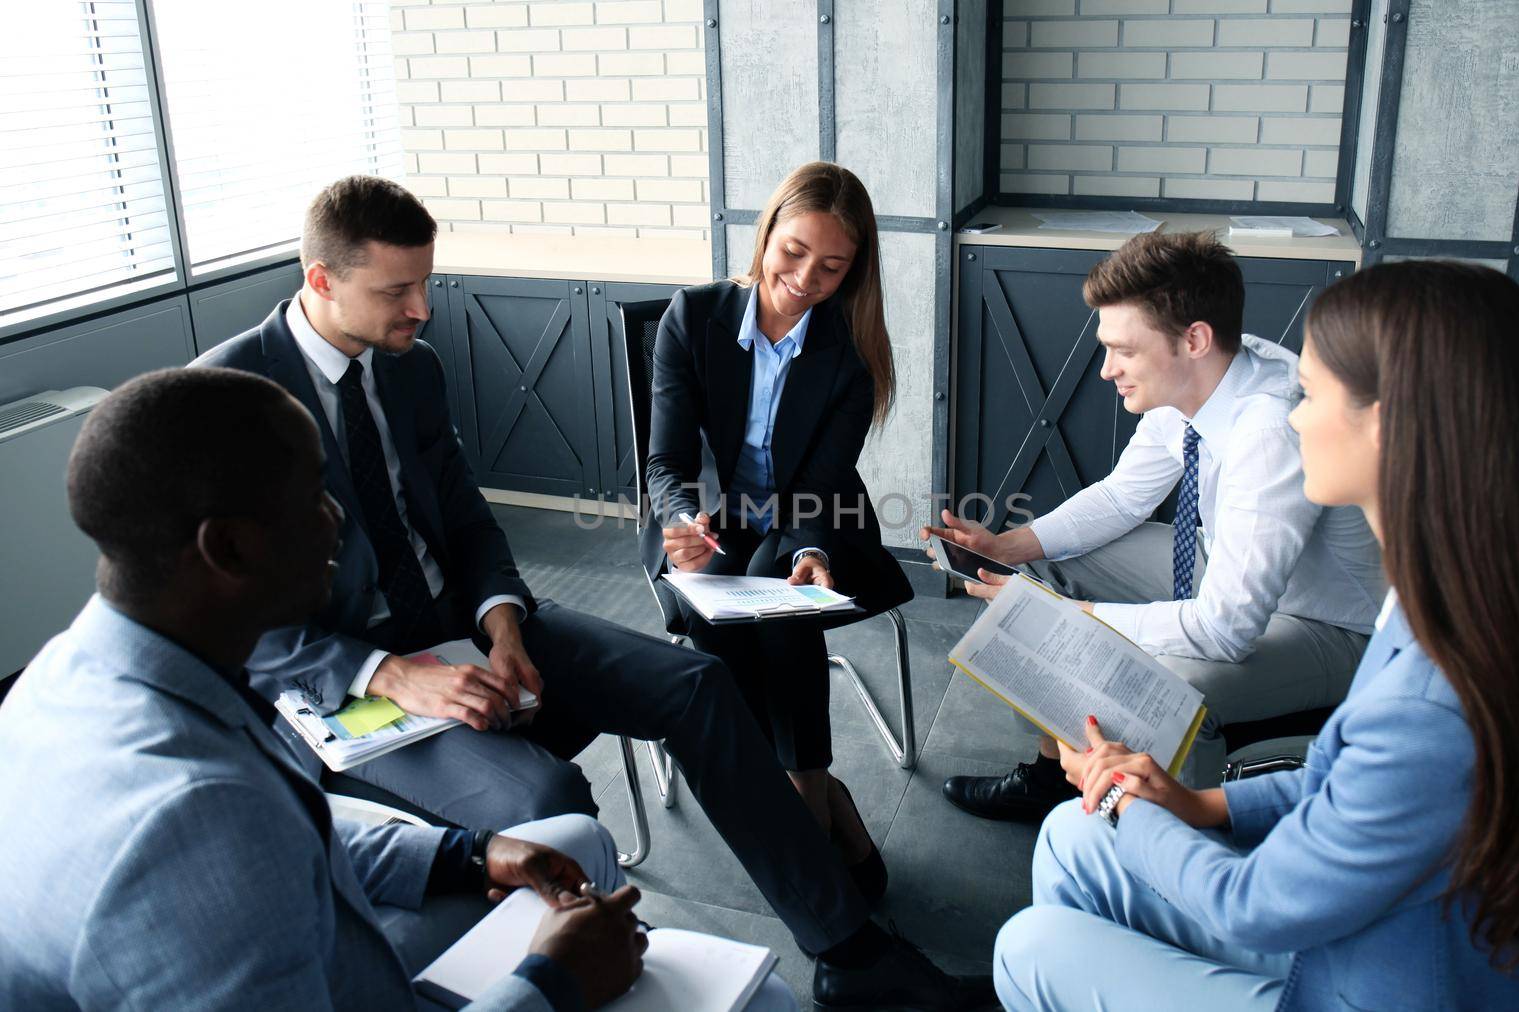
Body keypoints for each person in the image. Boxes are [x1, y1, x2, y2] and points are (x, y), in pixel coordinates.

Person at [194, 176, 991, 1010]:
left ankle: (850, 956)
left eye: (426, 283)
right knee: (550, 800)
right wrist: (390, 673)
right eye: (398, 290)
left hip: (475, 626)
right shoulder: (225, 396)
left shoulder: (411, 367)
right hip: (360, 682)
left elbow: (467, 523)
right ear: (319, 279)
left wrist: (503, 622)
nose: (424, 309)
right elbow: (227, 623)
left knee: (698, 684)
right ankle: (582, 973)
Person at [0, 367, 801, 1010]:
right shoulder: (192, 828)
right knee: (764, 999)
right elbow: (240, 840)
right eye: (314, 496)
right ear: (231, 549)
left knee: (573, 842)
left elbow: (302, 821)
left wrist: (469, 853)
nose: (337, 521)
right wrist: (555, 983)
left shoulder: (72, 672)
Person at [991, 261, 1519, 1010]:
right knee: (1067, 837)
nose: (1296, 413)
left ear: (1391, 422)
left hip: (1367, 983)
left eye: (1312, 396)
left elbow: (1256, 904)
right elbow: (1344, 781)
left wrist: (1126, 801)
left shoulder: (1431, 700)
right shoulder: (1467, 592)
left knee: (1028, 945)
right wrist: (1202, 806)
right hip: (1373, 934)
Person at [924, 231, 1386, 818]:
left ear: (1193, 339)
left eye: (1124, 351)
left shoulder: (1267, 431)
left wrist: (1079, 618)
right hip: (1225, 566)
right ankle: (1054, 775)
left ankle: (1183, 837)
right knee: (1038, 562)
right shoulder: (1203, 375)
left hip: (1328, 625)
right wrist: (1006, 545)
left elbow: (1226, 630)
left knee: (1159, 684)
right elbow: (1123, 498)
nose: (1106, 370)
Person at [645, 161, 911, 899]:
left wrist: (812, 549)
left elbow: (820, 483)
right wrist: (681, 521)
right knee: (722, 597)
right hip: (706, 518)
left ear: (855, 270)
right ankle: (819, 802)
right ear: (766, 235)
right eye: (793, 251)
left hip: (813, 517)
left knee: (782, 605)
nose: (805, 277)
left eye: (832, 265)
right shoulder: (692, 318)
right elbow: (666, 459)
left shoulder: (852, 352)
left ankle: (801, 793)